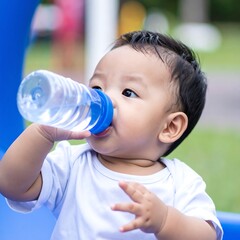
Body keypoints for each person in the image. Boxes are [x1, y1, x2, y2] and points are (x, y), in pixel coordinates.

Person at [0, 30, 223, 239]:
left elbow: (206, 235)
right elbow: (11, 185)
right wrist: (42, 133)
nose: (104, 99)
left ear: (169, 127)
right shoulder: (73, 162)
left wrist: (164, 220)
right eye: (97, 88)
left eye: (128, 92)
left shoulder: (180, 182)